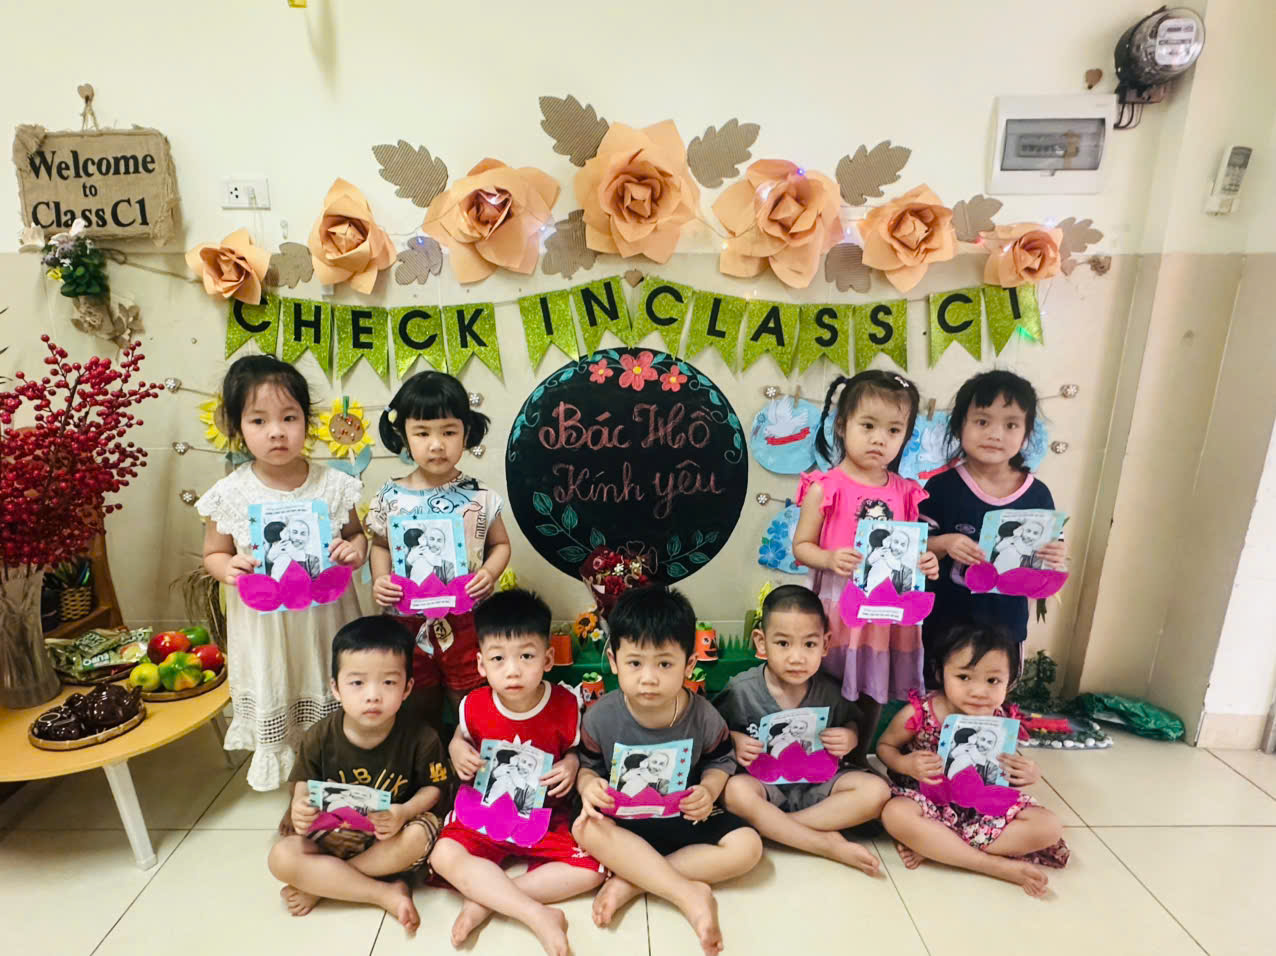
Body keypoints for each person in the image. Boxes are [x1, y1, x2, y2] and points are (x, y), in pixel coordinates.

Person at [197, 355, 366, 795]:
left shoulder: (333, 485)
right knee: (282, 682)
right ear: (237, 426)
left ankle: (341, 767)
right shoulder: (231, 494)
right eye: (259, 420)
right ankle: (297, 782)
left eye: (289, 417)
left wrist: (353, 552)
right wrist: (227, 568)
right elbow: (213, 553)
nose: (276, 431)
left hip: (326, 620)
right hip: (267, 626)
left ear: (307, 421)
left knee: (333, 682)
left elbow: (356, 536)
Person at [573, 586, 763, 956]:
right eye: (635, 663)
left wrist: (709, 790)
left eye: (664, 664)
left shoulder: (703, 715)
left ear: (689, 665)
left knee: (749, 847)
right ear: (613, 660)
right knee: (584, 827)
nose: (648, 678)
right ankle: (688, 894)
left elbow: (721, 761)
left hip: (682, 815)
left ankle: (633, 882)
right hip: (623, 823)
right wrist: (588, 785)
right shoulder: (600, 717)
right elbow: (586, 766)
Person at [431, 588, 603, 956]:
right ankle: (536, 914)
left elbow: (577, 751)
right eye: (498, 658)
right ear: (481, 665)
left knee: (591, 869)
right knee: (442, 854)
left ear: (547, 658)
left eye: (526, 656)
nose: (512, 670)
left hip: (544, 814)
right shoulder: (473, 704)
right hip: (485, 809)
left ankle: (486, 899)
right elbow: (460, 737)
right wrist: (456, 748)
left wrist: (571, 764)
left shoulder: (566, 704)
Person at [266, 618, 452, 934]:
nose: (373, 695)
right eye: (357, 683)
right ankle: (382, 892)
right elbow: (303, 785)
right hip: (334, 834)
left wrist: (403, 811)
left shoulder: (422, 737)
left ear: (407, 688)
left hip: (390, 837)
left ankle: (325, 884)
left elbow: (434, 790)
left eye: (388, 682)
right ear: (335, 688)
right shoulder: (319, 736)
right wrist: (300, 806)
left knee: (420, 836)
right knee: (281, 857)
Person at [792, 371, 939, 766]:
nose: (879, 439)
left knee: (875, 682)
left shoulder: (905, 491)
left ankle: (859, 758)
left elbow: (909, 547)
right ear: (842, 425)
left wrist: (925, 562)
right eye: (868, 426)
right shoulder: (826, 485)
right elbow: (801, 546)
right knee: (827, 677)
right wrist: (828, 558)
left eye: (893, 430)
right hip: (837, 605)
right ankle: (818, 759)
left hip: (885, 611)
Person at [876, 624, 1069, 897]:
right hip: (926, 800)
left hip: (981, 805)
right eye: (964, 677)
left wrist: (1028, 772)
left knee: (1049, 826)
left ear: (1009, 681)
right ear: (940, 673)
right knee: (895, 814)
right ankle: (991, 865)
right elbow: (884, 746)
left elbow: (1004, 764)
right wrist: (905, 764)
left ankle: (939, 848)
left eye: (993, 681)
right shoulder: (921, 712)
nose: (979, 691)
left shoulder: (1000, 718)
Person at [368, 370, 512, 733]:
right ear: (403, 436)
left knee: (469, 698)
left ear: (466, 431)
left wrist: (489, 573)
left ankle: (469, 757)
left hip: (465, 618)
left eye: (448, 432)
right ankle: (426, 759)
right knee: (415, 700)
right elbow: (380, 544)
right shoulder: (390, 496)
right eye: (422, 433)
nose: (436, 445)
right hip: (407, 619)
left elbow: (500, 544)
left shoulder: (479, 496)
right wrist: (381, 578)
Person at [718, 584, 888, 875]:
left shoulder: (829, 690)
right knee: (734, 791)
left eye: (809, 645)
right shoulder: (741, 691)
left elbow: (851, 722)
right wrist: (734, 740)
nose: (796, 657)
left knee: (877, 791)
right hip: (764, 787)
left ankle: (780, 830)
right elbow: (714, 736)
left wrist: (850, 737)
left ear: (825, 644)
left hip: (818, 786)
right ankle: (823, 844)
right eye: (783, 644)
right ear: (761, 642)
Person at [919, 371, 1066, 669]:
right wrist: (945, 543)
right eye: (982, 422)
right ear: (959, 425)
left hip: (1006, 624)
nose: (995, 434)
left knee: (994, 687)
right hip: (947, 621)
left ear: (1027, 434)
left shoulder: (1037, 493)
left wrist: (1056, 554)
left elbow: (1053, 548)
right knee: (941, 688)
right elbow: (917, 545)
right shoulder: (941, 488)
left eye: (1010, 425)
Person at [483, 747, 543, 814]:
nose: (524, 767)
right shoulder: (501, 773)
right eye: (523, 762)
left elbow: (526, 813)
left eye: (530, 765)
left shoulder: (530, 791)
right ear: (516, 762)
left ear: (533, 771)